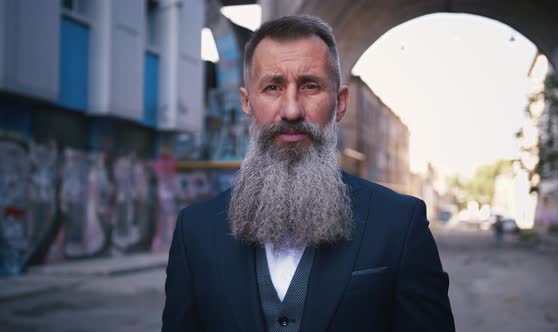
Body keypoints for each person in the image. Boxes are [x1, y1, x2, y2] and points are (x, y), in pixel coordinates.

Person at [162, 15, 455, 332]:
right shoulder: (195, 232)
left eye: (310, 86)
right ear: (247, 103)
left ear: (340, 103)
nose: (291, 110)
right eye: (273, 87)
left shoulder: (400, 223)